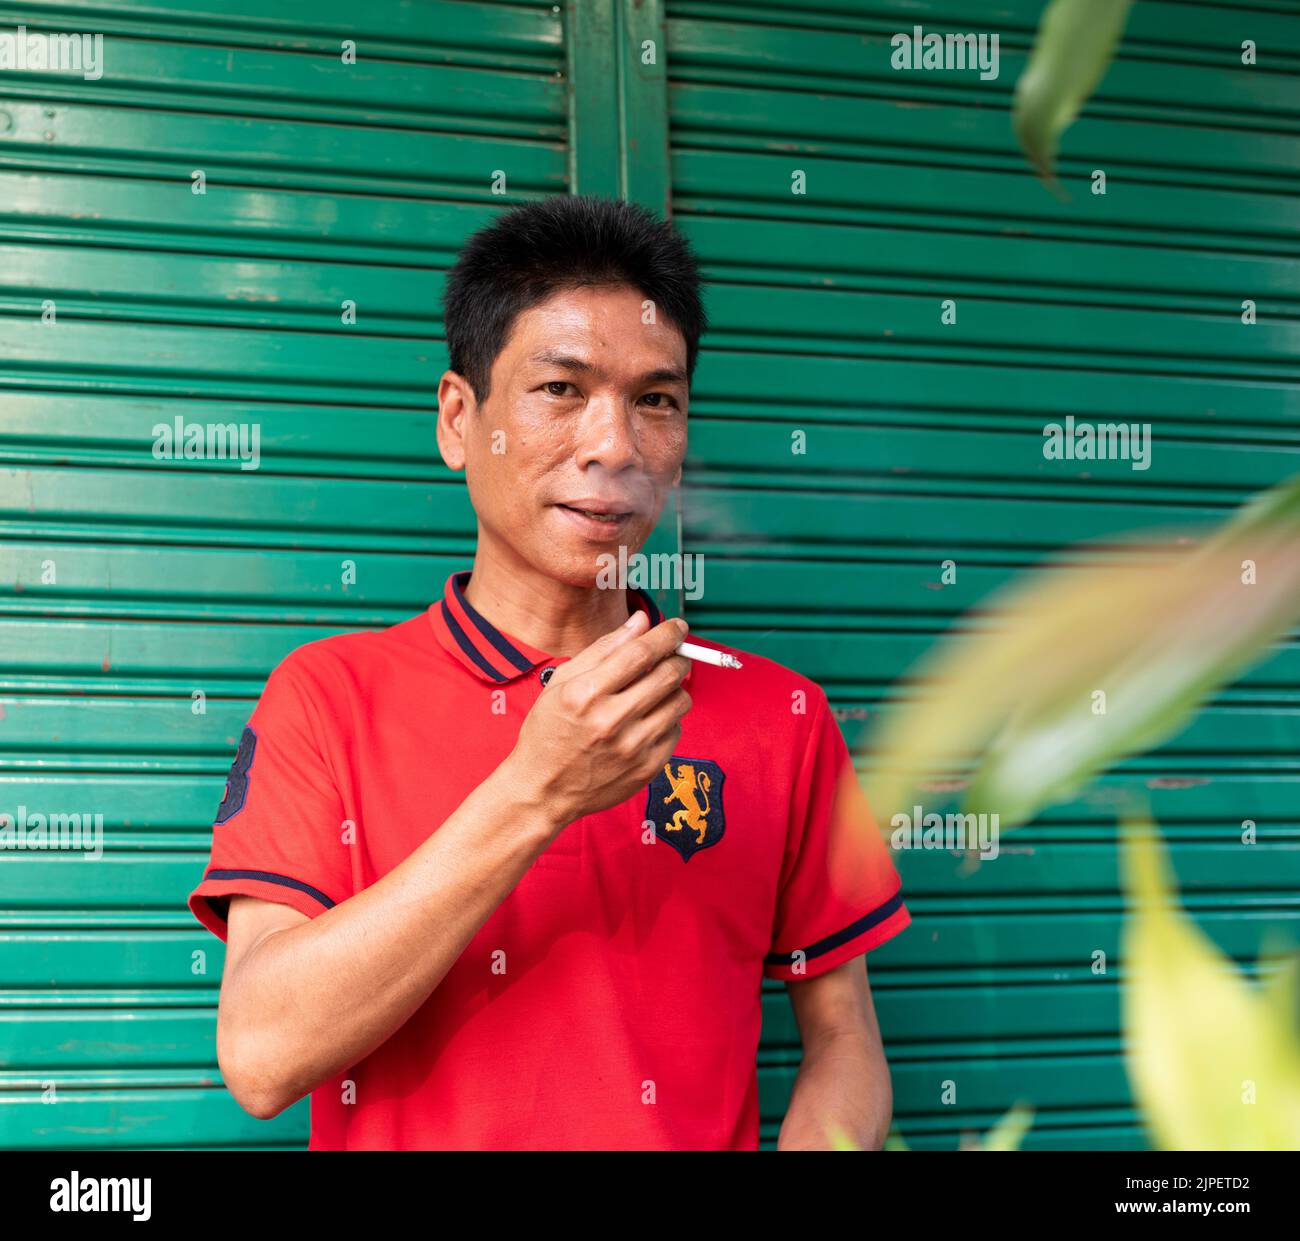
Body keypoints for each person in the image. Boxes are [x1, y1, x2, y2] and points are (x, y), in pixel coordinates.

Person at [188, 194, 912, 1150]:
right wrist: (536, 791)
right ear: (458, 419)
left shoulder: (780, 713)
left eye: (656, 400)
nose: (614, 446)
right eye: (561, 390)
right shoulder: (327, 697)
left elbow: (844, 1037)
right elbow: (261, 1054)